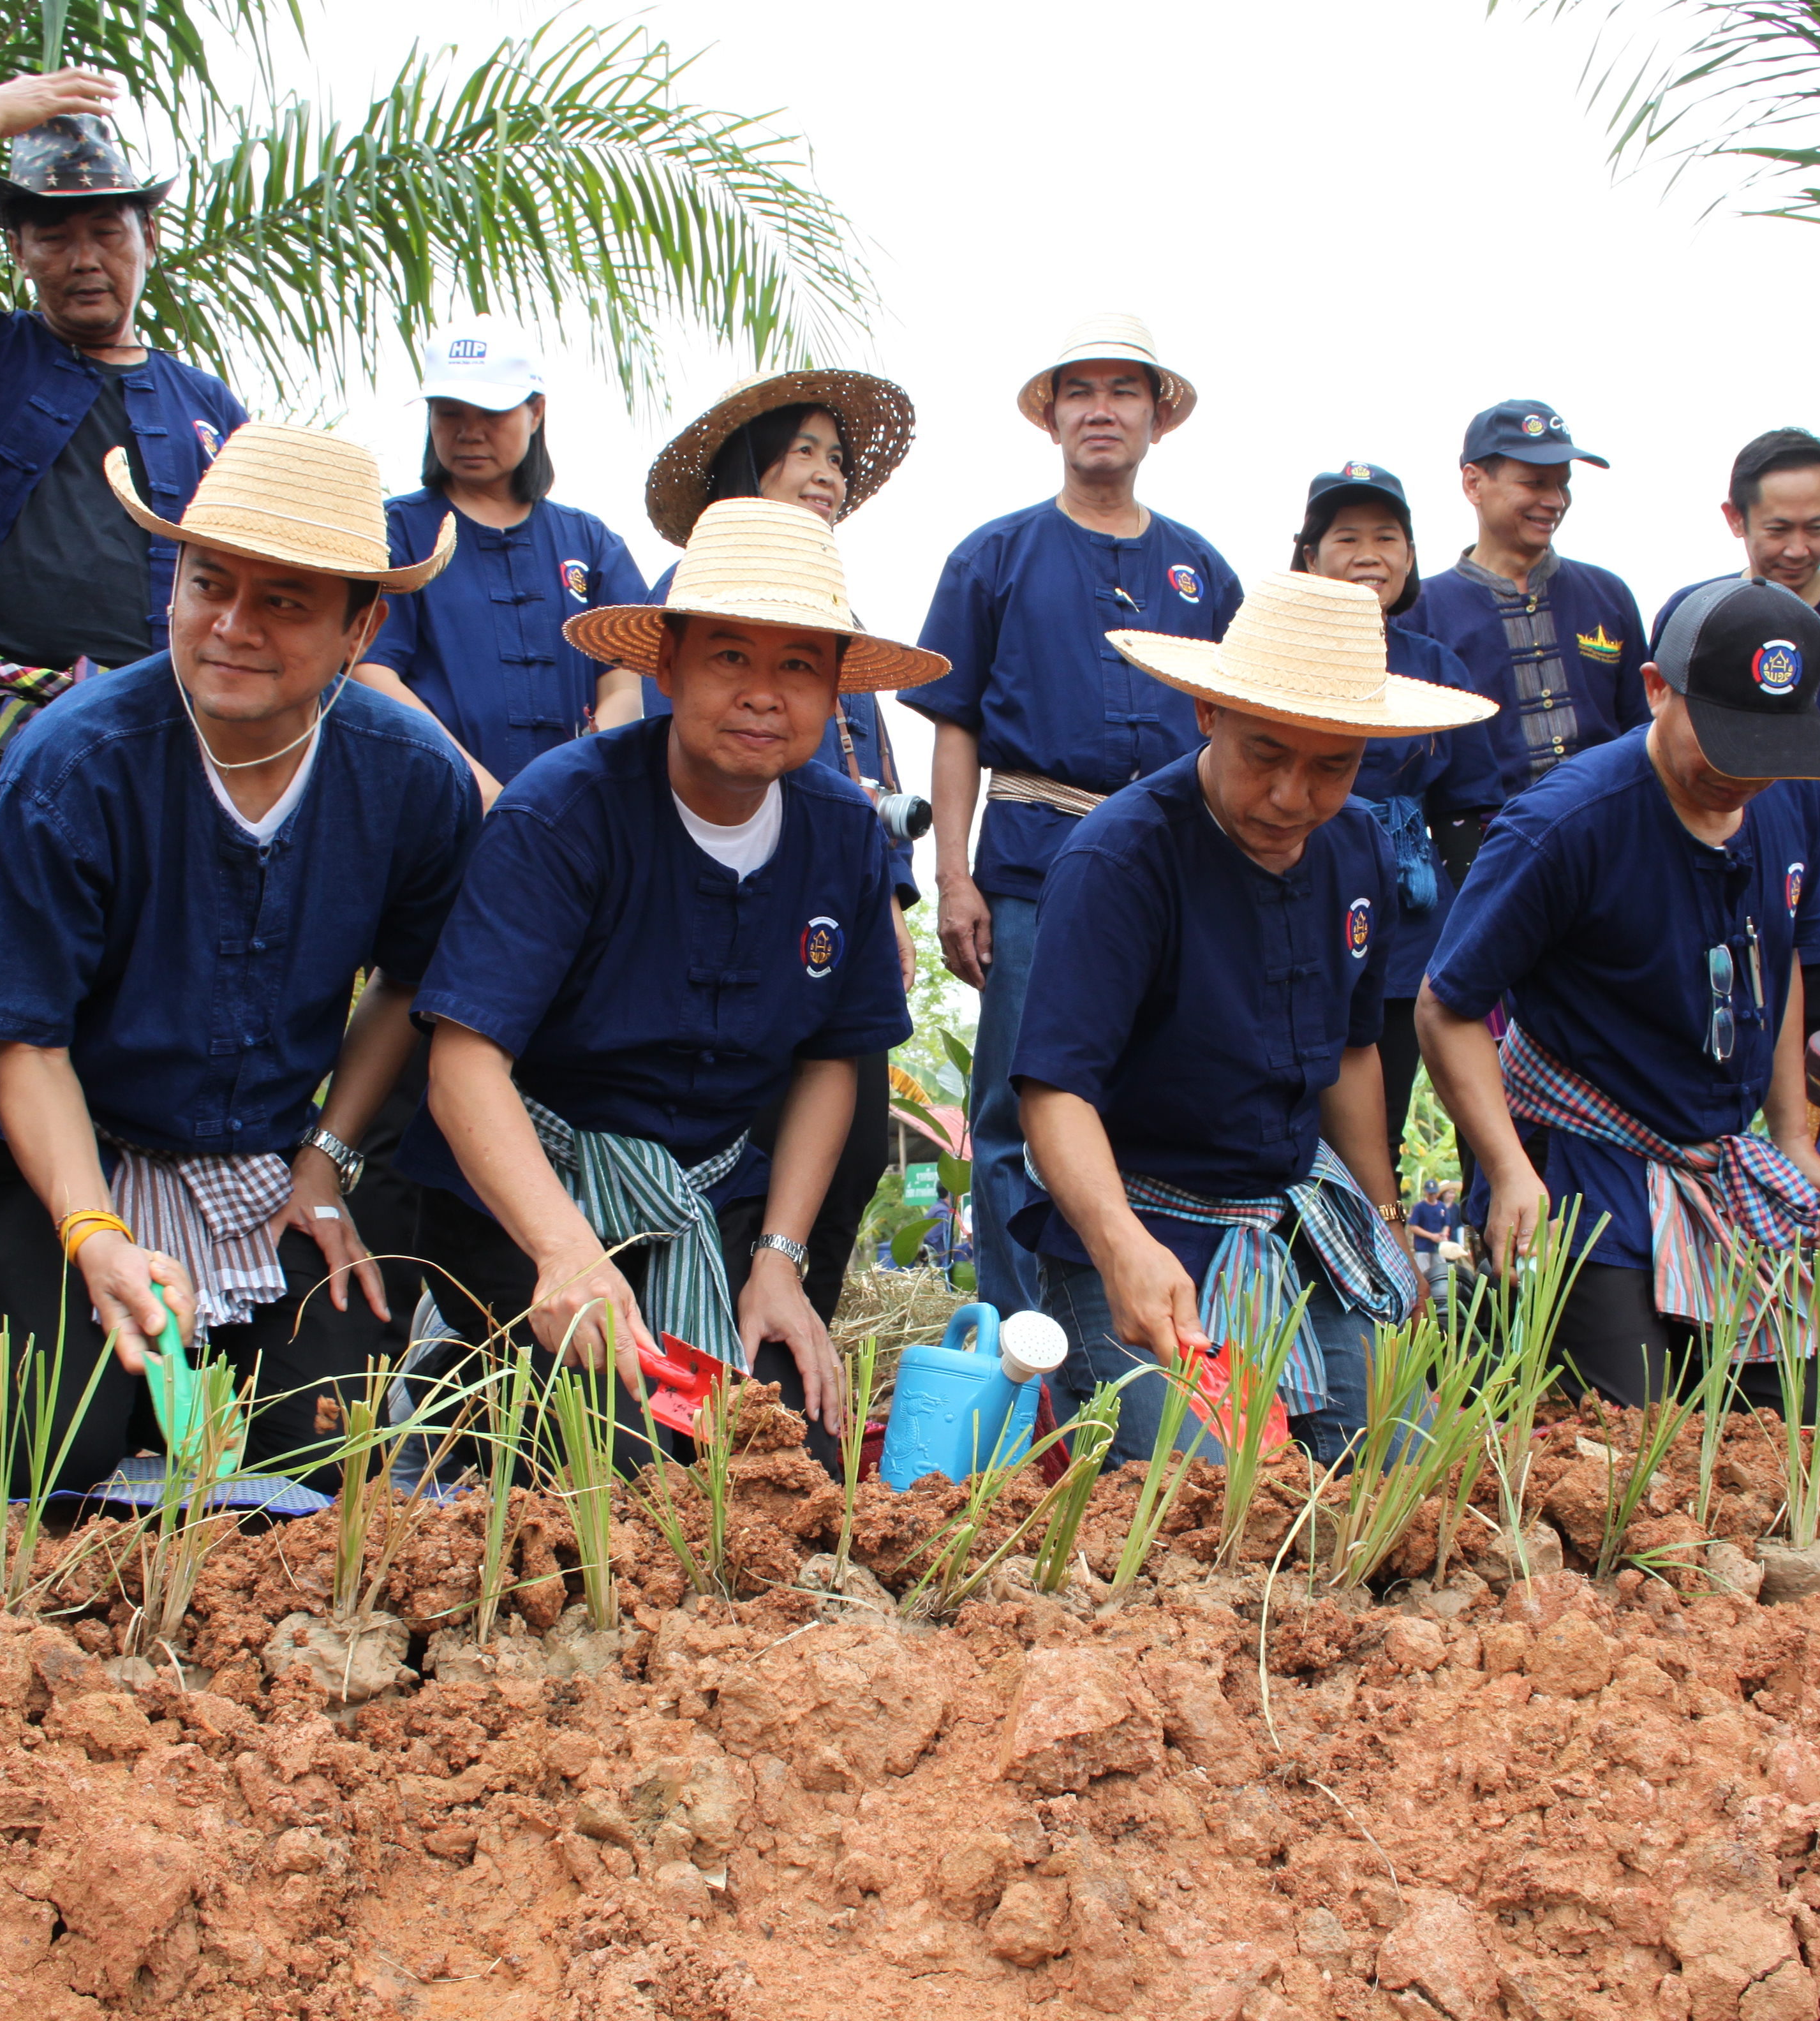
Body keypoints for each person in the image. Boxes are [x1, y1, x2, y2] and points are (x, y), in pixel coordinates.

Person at [0, 423, 473, 1489]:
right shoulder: (74, 764)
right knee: (50, 1453)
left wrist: (325, 1161)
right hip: (71, 1153)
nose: (231, 626)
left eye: (284, 601)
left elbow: (411, 981)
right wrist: (94, 1235)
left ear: (361, 624)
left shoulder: (411, 778)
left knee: (317, 1449)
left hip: (264, 1159)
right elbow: (25, 1042)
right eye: (207, 583)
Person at [400, 499, 924, 1474]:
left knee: (781, 1464)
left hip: (711, 1194)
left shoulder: (843, 834)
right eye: (730, 657)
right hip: (539, 1194)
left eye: (798, 666)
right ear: (667, 667)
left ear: (836, 689)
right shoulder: (562, 813)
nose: (764, 695)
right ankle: (453, 1366)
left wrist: (779, 1260)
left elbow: (830, 1064)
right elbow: (464, 1067)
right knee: (612, 1467)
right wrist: (564, 1254)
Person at [0, 70, 249, 1135]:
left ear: (147, 235)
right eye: (52, 235)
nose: (82, 258)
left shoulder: (210, 410)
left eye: (106, 231)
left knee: (139, 1011)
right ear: (19, 249)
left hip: (154, 753)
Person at [1017, 572, 1485, 1465]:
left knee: (1403, 1478)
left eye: (1332, 767)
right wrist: (1121, 1246)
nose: (1291, 797)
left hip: (1292, 1220)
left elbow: (1352, 1055)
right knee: (1197, 1499)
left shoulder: (1357, 851)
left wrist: (1383, 1216)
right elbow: (1054, 1091)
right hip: (1150, 1223)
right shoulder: (1122, 859)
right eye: (1266, 755)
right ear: (1206, 713)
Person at [1416, 577, 1820, 1409]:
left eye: (1767, 750)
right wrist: (1508, 1169)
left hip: (1712, 1160)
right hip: (1585, 1165)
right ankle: (1482, 1321)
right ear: (1657, 689)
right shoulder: (1567, 824)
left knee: (1779, 1420)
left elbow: (1783, 957)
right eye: (1723, 742)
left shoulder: (1789, 804)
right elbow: (1447, 1005)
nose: (1742, 776)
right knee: (1637, 1425)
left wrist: (1794, 1134)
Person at [901, 314, 1243, 1319]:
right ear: (1050, 416)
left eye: (1123, 390)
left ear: (1158, 417)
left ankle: (1158, 1322)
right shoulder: (994, 556)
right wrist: (954, 878)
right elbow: (954, 726)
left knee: (1165, 1092)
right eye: (1080, 391)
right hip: (1033, 861)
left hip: (1177, 866)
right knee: (1013, 1102)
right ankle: (1024, 1345)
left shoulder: (1203, 570)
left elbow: (1234, 733)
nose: (1102, 410)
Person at [637, 369, 922, 1322]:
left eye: (837, 459)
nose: (827, 474)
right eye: (803, 451)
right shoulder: (678, 603)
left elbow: (869, 782)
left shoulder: (840, 626)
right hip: (716, 918)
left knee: (845, 1139)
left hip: (830, 918)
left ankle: (789, 1325)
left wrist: (888, 902)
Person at [1654, 429, 1820, 1039]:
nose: (1798, 548)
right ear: (1734, 519)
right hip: (1711, 897)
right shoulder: (1695, 615)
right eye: (1778, 530)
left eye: (1816, 528)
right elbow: (1660, 748)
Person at [1289, 461, 1507, 1160]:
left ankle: (1373, 1250)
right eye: (1345, 538)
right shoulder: (1277, 655)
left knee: (1379, 1112)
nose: (1367, 556)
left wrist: (1481, 927)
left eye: (1387, 538)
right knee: (1290, 1094)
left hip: (1409, 915)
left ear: (1410, 558)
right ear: (1309, 557)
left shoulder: (1437, 666)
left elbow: (1469, 806)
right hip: (1297, 889)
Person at [353, 317, 648, 801]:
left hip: (571, 817)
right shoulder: (395, 531)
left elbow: (623, 681)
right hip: (433, 808)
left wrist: (584, 780)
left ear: (536, 412)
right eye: (449, 412)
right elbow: (371, 670)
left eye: (491, 413)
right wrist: (483, 794)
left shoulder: (590, 541)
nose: (469, 432)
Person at [1404, 400, 1649, 799]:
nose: (1555, 500)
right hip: (1486, 846)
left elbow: (1644, 728)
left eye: (1562, 483)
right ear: (1473, 484)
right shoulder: (1421, 611)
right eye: (1534, 483)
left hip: (1612, 833)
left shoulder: (1609, 594)